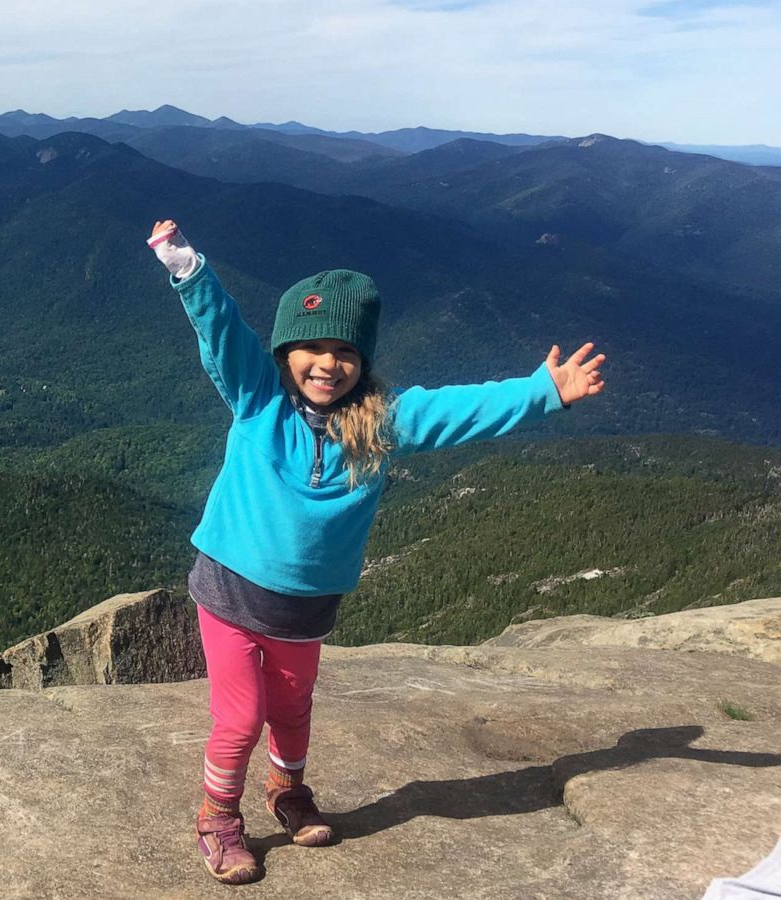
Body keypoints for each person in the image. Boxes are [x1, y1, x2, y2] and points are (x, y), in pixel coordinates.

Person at [147, 220, 606, 885]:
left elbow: (460, 411)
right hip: (228, 595)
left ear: (361, 360)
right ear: (285, 350)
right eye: (310, 347)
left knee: (294, 709)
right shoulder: (257, 399)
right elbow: (222, 334)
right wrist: (189, 270)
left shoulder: (381, 422)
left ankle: (287, 790)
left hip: (306, 612)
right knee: (241, 718)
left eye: (344, 351)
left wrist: (543, 392)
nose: (326, 364)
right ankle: (218, 816)